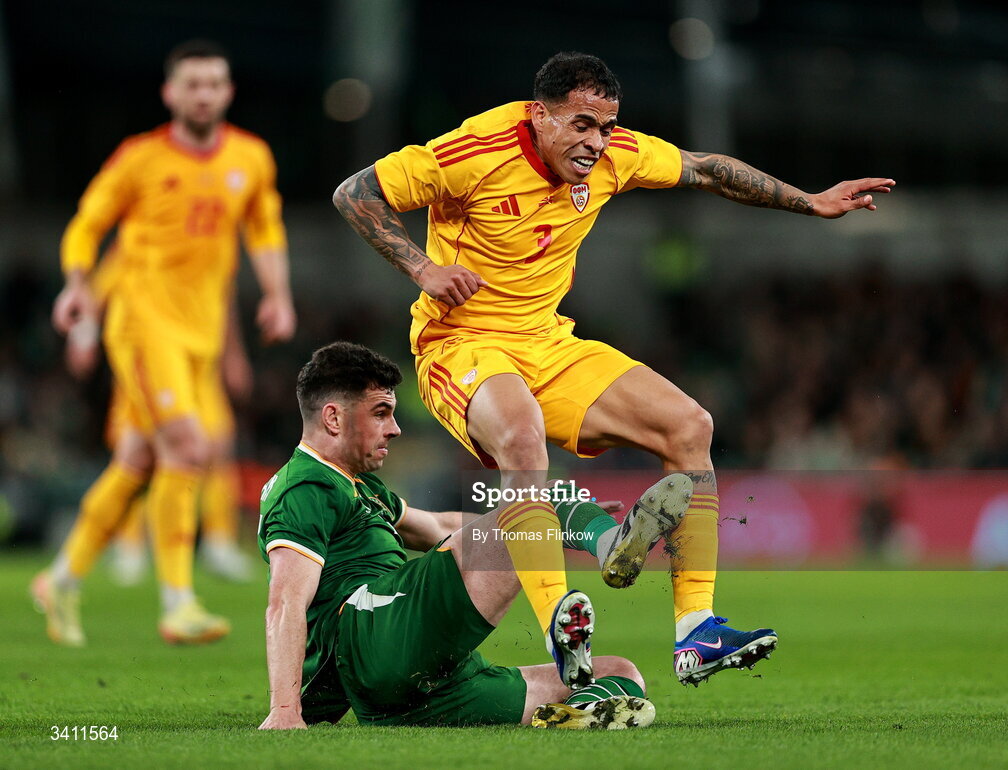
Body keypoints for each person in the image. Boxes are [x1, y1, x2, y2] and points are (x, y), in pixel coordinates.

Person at [333, 51, 894, 685]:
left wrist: (810, 201)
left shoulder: (616, 152)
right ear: (540, 116)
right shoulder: (473, 150)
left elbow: (707, 169)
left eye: (605, 126)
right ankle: (560, 629)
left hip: (548, 342)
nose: (597, 142)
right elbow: (355, 191)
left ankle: (696, 632)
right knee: (522, 439)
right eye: (580, 125)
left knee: (690, 426)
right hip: (463, 343)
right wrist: (422, 269)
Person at [33, 39, 296, 646]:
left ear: (227, 92)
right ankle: (178, 601)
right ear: (171, 93)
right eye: (192, 84)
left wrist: (277, 295)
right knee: (188, 445)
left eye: (214, 84)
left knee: (140, 459)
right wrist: (78, 287)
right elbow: (88, 224)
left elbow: (263, 227)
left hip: (200, 334)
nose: (203, 94)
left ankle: (62, 578)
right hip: (143, 324)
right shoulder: (139, 158)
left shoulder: (250, 157)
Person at [258, 341, 659, 730]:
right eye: (381, 412)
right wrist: (284, 710)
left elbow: (439, 527)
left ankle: (583, 710)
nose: (395, 429)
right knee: (536, 497)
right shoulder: (304, 486)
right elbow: (285, 600)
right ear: (333, 418)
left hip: (409, 680)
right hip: (375, 635)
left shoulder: (359, 486)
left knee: (622, 673)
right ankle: (609, 546)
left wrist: (556, 524)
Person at [64, 246, 256, 586]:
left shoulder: (208, 242)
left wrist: (234, 356)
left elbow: (222, 303)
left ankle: (218, 542)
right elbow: (94, 296)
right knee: (137, 459)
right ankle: (130, 546)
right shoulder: (135, 248)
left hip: (198, 366)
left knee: (218, 449)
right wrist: (82, 340)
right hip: (148, 366)